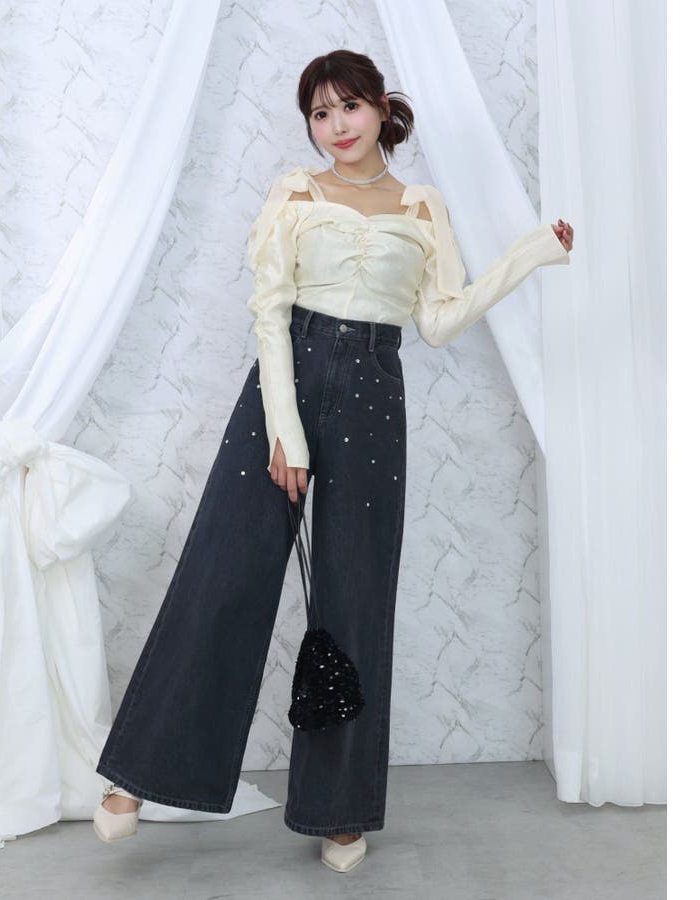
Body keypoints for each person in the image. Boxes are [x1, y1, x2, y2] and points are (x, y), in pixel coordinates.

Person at [92, 49, 574, 873]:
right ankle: (141, 775)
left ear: (382, 107)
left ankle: (339, 808)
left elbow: (439, 321)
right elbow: (269, 308)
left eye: (348, 106)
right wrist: (285, 427)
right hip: (288, 379)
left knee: (355, 594)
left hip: (373, 394)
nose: (336, 126)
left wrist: (531, 253)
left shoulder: (422, 207)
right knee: (224, 573)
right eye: (319, 113)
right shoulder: (296, 192)